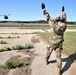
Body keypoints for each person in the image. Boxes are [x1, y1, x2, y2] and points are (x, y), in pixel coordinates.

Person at [41, 3, 67, 75]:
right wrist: (63, 12)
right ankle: (58, 70)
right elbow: (64, 18)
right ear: (61, 18)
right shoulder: (64, 25)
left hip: (52, 42)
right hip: (59, 44)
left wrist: (44, 9)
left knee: (48, 51)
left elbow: (47, 17)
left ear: (56, 19)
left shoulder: (53, 23)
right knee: (58, 57)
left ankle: (46, 60)